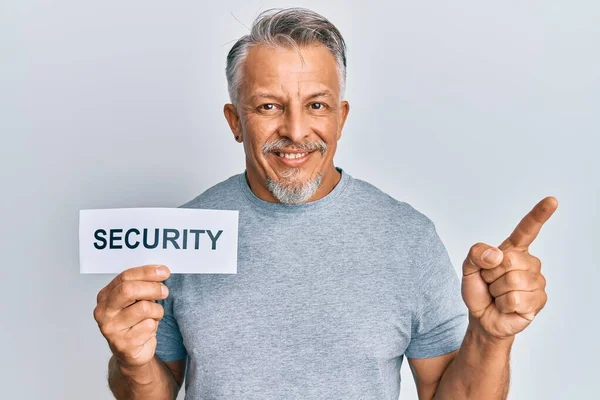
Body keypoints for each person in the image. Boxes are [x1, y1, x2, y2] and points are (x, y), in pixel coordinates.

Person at [93, 7, 558, 400]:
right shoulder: (182, 237)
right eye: (269, 107)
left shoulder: (406, 237)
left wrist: (491, 337)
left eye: (316, 105)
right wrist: (131, 362)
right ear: (235, 121)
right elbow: (157, 389)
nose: (296, 131)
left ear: (341, 117)